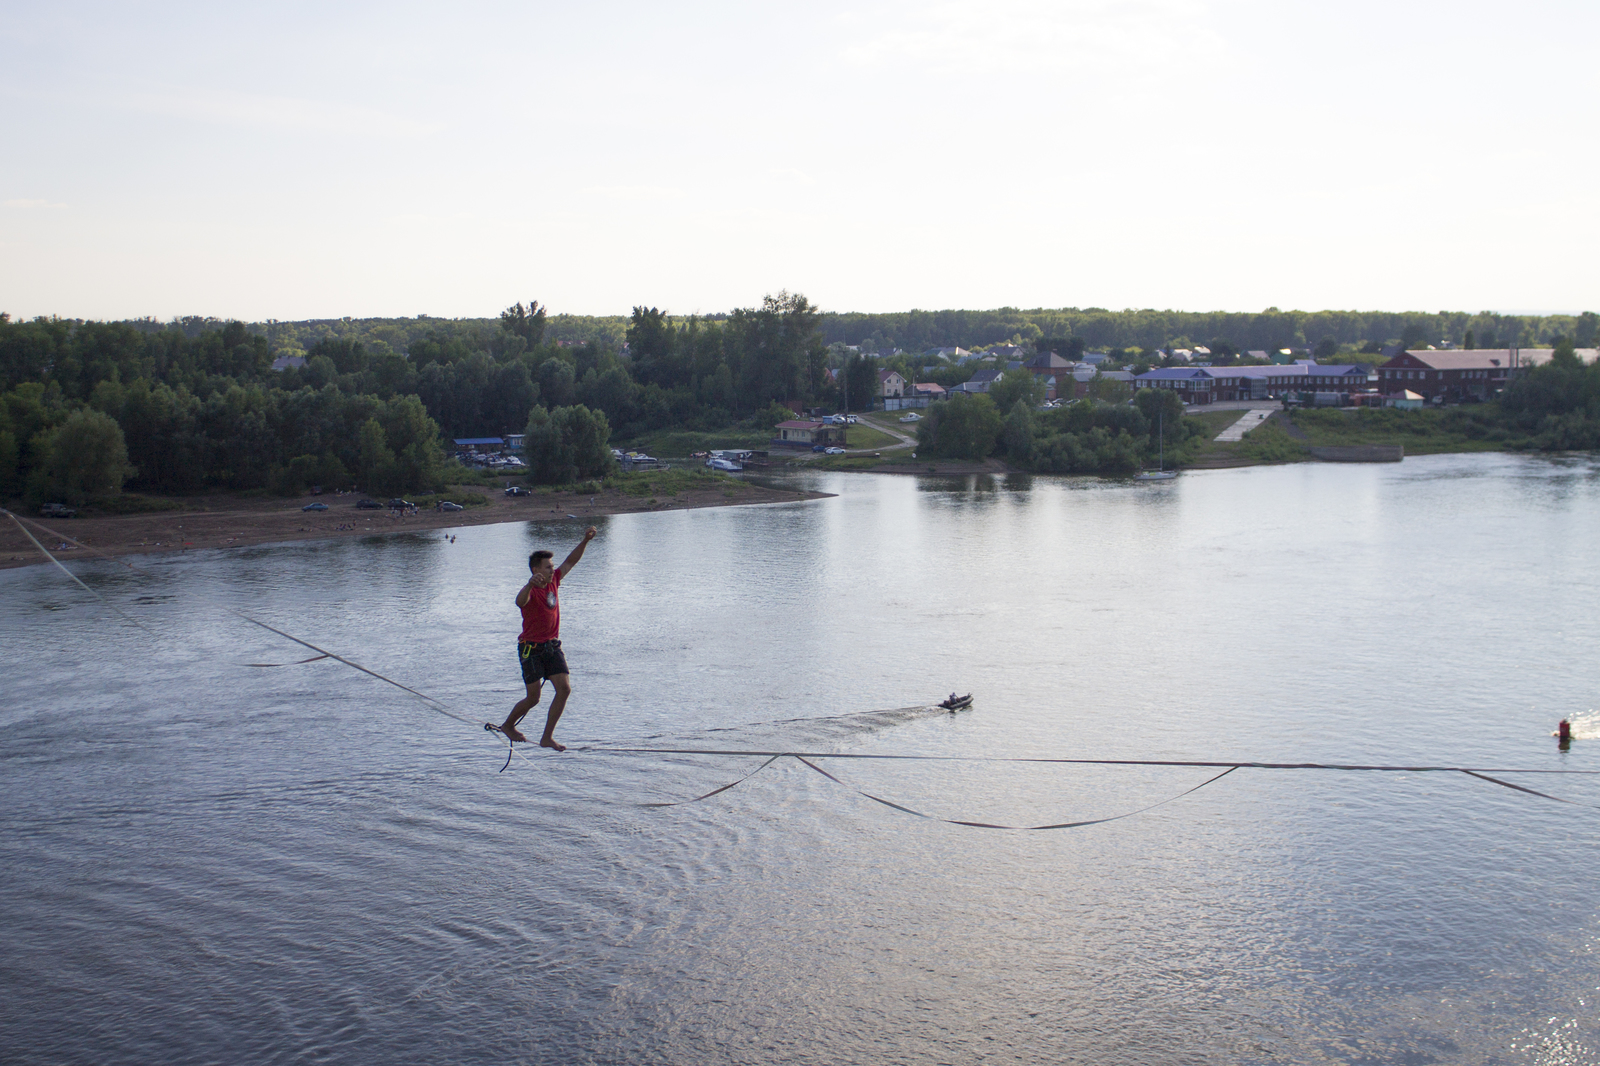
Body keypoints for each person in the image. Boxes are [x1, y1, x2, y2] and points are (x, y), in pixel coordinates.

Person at [500, 526, 597, 750]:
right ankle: (508, 725)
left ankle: (547, 737)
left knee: (564, 689)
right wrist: (529, 584)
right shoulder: (531, 590)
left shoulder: (554, 581)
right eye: (548, 567)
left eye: (552, 566)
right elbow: (519, 602)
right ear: (536, 570)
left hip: (552, 646)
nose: (553, 570)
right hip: (530, 649)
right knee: (533, 698)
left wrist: (585, 540)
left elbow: (570, 562)